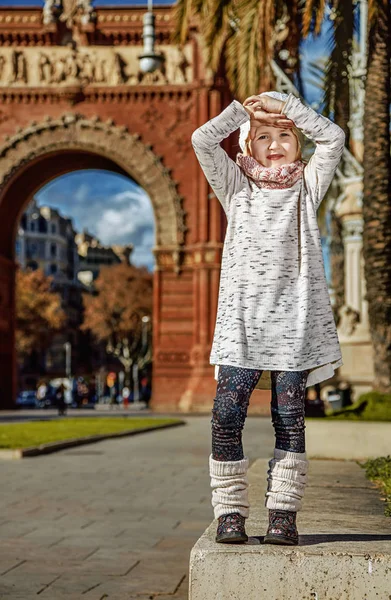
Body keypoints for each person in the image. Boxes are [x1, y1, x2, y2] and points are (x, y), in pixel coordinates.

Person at [191, 91, 345, 545]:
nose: (275, 143)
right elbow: (202, 140)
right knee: (225, 415)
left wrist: (287, 106)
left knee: (290, 417)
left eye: (284, 136)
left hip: (294, 326)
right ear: (247, 146)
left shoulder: (307, 186)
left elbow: (333, 137)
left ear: (298, 146)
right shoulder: (236, 187)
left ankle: (283, 514)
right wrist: (245, 111)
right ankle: (230, 512)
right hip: (242, 325)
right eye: (263, 136)